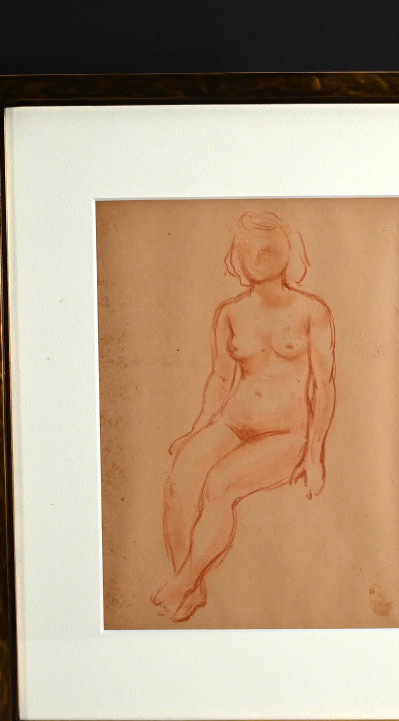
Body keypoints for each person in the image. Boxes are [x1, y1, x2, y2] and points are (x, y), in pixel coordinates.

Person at [152, 211, 336, 622]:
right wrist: (197, 431)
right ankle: (191, 584)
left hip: (286, 433)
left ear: (288, 253)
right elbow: (220, 380)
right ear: (236, 255)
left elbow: (324, 386)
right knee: (180, 477)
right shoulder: (230, 313)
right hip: (233, 422)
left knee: (219, 484)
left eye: (268, 250)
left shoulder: (312, 311)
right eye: (248, 250)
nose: (257, 258)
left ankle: (183, 583)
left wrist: (314, 456)